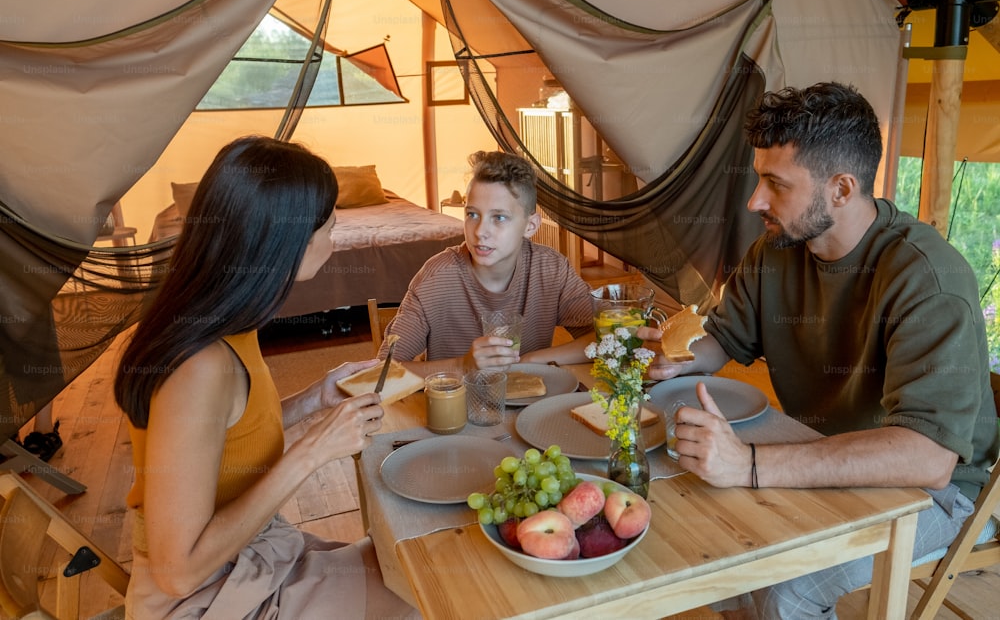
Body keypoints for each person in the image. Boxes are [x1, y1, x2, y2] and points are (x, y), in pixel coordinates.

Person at [640, 82, 999, 619]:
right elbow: (723, 341)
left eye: (774, 184)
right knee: (718, 556)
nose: (754, 201)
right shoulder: (776, 249)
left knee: (786, 591)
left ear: (841, 188)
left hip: (940, 492)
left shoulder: (927, 277)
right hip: (817, 450)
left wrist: (750, 465)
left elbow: (929, 458)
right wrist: (677, 356)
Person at [114, 136, 419, 619]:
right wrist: (313, 449)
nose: (334, 235)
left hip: (249, 560)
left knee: (416, 562)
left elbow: (222, 442)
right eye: (327, 224)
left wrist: (313, 398)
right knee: (427, 595)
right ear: (284, 239)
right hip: (206, 598)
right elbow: (179, 573)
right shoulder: (198, 366)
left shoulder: (227, 322)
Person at [380, 150, 594, 372]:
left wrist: (531, 360)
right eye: (472, 215)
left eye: (499, 218)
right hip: (453, 405)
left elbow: (610, 338)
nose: (480, 231)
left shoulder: (551, 270)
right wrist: (464, 365)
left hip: (531, 405)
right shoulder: (436, 278)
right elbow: (383, 372)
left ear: (530, 226)